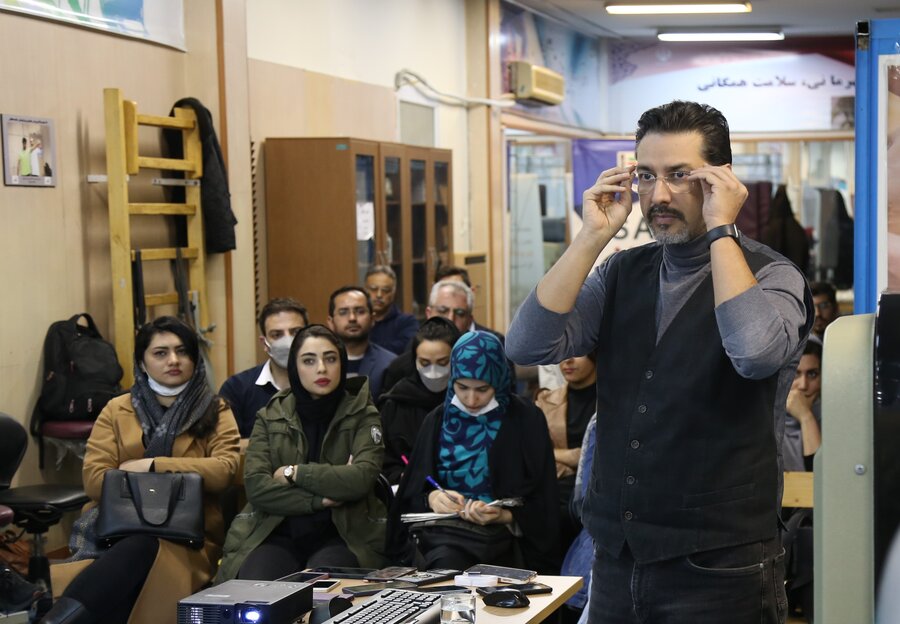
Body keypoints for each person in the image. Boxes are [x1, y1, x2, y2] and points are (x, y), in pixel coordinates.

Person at [506, 100, 812, 623]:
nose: (659, 194)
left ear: (721, 181)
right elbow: (526, 345)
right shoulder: (621, 272)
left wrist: (721, 231)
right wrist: (591, 236)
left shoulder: (772, 274)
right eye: (646, 175)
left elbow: (754, 354)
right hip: (617, 558)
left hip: (720, 566)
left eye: (679, 175)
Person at [43, 316, 240, 624]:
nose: (173, 360)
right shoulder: (116, 409)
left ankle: (54, 618)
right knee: (131, 560)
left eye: (182, 351)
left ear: (194, 358)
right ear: (142, 362)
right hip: (116, 527)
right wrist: (181, 479)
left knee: (139, 549)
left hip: (189, 536)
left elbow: (224, 471)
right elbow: (94, 481)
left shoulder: (216, 409)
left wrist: (152, 465)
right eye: (160, 353)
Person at [216, 325, 388, 581]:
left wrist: (294, 473)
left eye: (330, 359)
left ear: (342, 363)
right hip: (275, 529)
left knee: (322, 589)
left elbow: (360, 479)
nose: (322, 369)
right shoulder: (270, 414)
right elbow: (258, 488)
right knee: (258, 589)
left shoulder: (363, 413)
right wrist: (320, 500)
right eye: (309, 360)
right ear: (294, 367)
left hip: (343, 534)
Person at [391, 331, 559, 574]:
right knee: (446, 568)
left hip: (510, 541)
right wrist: (433, 498)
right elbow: (411, 492)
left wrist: (506, 516)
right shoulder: (438, 420)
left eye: (482, 389)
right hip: (445, 538)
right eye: (462, 387)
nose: (471, 399)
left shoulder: (526, 419)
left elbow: (545, 499)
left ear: (498, 381)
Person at [378, 317, 461, 484]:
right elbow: (384, 460)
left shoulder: (467, 399)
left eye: (443, 362)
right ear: (414, 361)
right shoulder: (395, 404)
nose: (433, 372)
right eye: (425, 363)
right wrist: (403, 477)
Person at [219, 298, 308, 437]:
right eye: (277, 335)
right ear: (264, 343)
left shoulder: (324, 383)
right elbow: (228, 445)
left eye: (296, 332)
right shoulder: (237, 388)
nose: (288, 342)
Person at [534, 354, 598, 548]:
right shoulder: (544, 400)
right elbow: (534, 452)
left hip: (595, 486)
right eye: (564, 354)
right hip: (553, 483)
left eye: (577, 353)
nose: (567, 361)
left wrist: (556, 454)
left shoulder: (614, 402)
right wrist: (571, 456)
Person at [327, 286, 396, 400]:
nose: (352, 318)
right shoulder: (319, 364)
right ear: (331, 322)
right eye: (343, 312)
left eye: (360, 311)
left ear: (372, 319)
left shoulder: (390, 364)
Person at [784, 338, 822, 472]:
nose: (803, 385)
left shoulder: (835, 421)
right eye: (794, 373)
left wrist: (806, 417)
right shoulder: (765, 423)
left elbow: (821, 477)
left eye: (812, 374)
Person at [365, 265, 419, 354]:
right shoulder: (359, 321)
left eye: (385, 290)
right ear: (365, 290)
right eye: (373, 289)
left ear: (393, 292)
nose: (379, 295)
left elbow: (406, 350)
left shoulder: (407, 322)